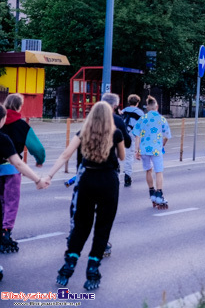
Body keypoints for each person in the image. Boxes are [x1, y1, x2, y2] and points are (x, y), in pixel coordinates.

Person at [45, 102, 125, 290]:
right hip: (108, 181)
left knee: (81, 225)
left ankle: (68, 266)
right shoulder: (116, 134)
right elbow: (121, 157)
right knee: (103, 227)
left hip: (87, 179)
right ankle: (92, 270)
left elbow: (65, 155)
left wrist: (49, 175)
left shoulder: (83, 133)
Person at [0, 94, 46, 253]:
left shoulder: (1, 117)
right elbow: (37, 148)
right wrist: (40, 161)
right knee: (11, 201)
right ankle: (6, 231)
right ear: (20, 107)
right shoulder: (22, 126)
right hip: (12, 168)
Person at [133, 96, 172, 209]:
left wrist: (137, 150)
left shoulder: (142, 119)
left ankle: (151, 192)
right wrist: (163, 143)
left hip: (144, 149)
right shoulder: (161, 119)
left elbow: (137, 135)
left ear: (147, 108)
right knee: (158, 171)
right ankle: (159, 194)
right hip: (156, 149)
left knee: (148, 170)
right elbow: (167, 135)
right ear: (157, 107)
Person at [121, 94, 144, 187]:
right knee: (129, 157)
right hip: (131, 135)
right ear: (137, 103)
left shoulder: (123, 110)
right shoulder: (140, 113)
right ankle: (127, 177)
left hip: (121, 134)